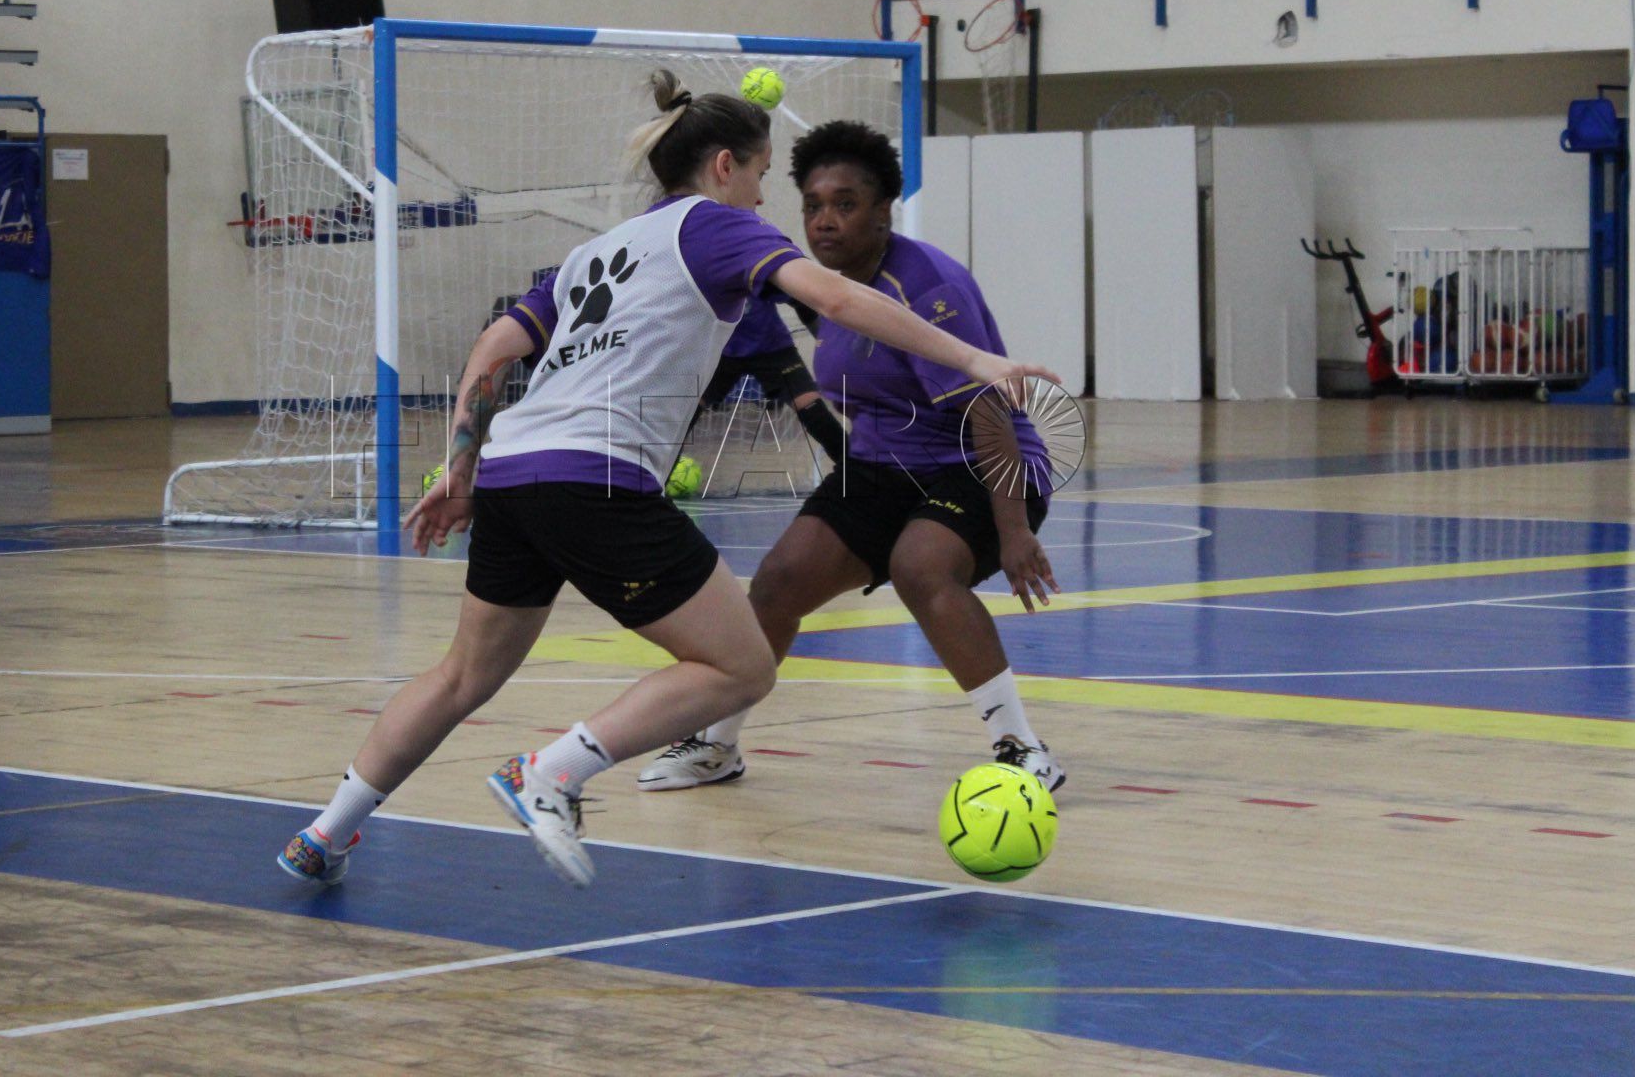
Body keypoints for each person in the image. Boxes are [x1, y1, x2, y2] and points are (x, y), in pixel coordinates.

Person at [278, 78, 1058, 890]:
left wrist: (464, 467)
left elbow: (493, 349)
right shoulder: (718, 228)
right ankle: (550, 772)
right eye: (760, 175)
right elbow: (831, 295)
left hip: (514, 471)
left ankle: (324, 832)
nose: (764, 198)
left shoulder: (594, 253)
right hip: (594, 478)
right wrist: (977, 358)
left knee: (461, 675)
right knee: (741, 668)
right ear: (724, 167)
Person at [636, 120, 1067, 798]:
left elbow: (988, 410)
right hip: (881, 469)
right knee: (778, 581)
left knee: (920, 567)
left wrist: (1012, 532)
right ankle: (718, 744)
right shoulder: (821, 287)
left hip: (981, 465)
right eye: (812, 206)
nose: (825, 221)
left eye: (845, 204)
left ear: (883, 210)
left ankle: (1020, 746)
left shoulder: (926, 285)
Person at [688, 295, 847, 467]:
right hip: (720, 352)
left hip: (773, 348)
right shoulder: (699, 274)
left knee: (812, 408)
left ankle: (857, 472)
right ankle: (656, 482)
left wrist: (826, 343)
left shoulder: (759, 271)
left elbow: (800, 301)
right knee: (685, 412)